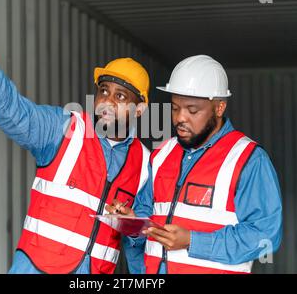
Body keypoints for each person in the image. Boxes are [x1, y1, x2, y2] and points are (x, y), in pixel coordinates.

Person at [0, 25, 151, 274]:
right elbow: (15, 112)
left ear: (139, 110)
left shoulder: (146, 165)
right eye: (104, 90)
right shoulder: (64, 129)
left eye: (120, 97)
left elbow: (142, 248)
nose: (106, 101)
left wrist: (132, 226)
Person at [115, 55, 283, 274]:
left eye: (192, 110)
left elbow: (265, 235)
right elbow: (145, 219)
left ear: (219, 107)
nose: (180, 118)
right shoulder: (162, 154)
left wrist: (192, 242)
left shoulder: (248, 159)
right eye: (175, 108)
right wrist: (133, 222)